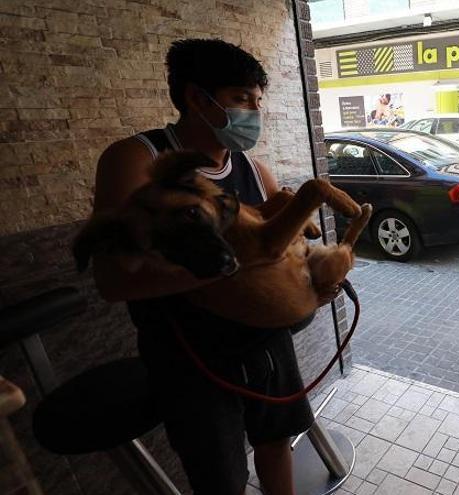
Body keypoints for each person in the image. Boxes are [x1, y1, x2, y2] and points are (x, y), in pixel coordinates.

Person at [90, 39, 329, 495]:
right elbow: (113, 279)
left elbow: (284, 256)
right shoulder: (138, 160)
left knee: (277, 441)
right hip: (188, 355)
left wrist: (314, 281)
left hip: (265, 339)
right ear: (197, 98)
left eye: (257, 101)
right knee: (220, 474)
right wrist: (226, 266)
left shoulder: (255, 171)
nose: (253, 113)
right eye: (241, 99)